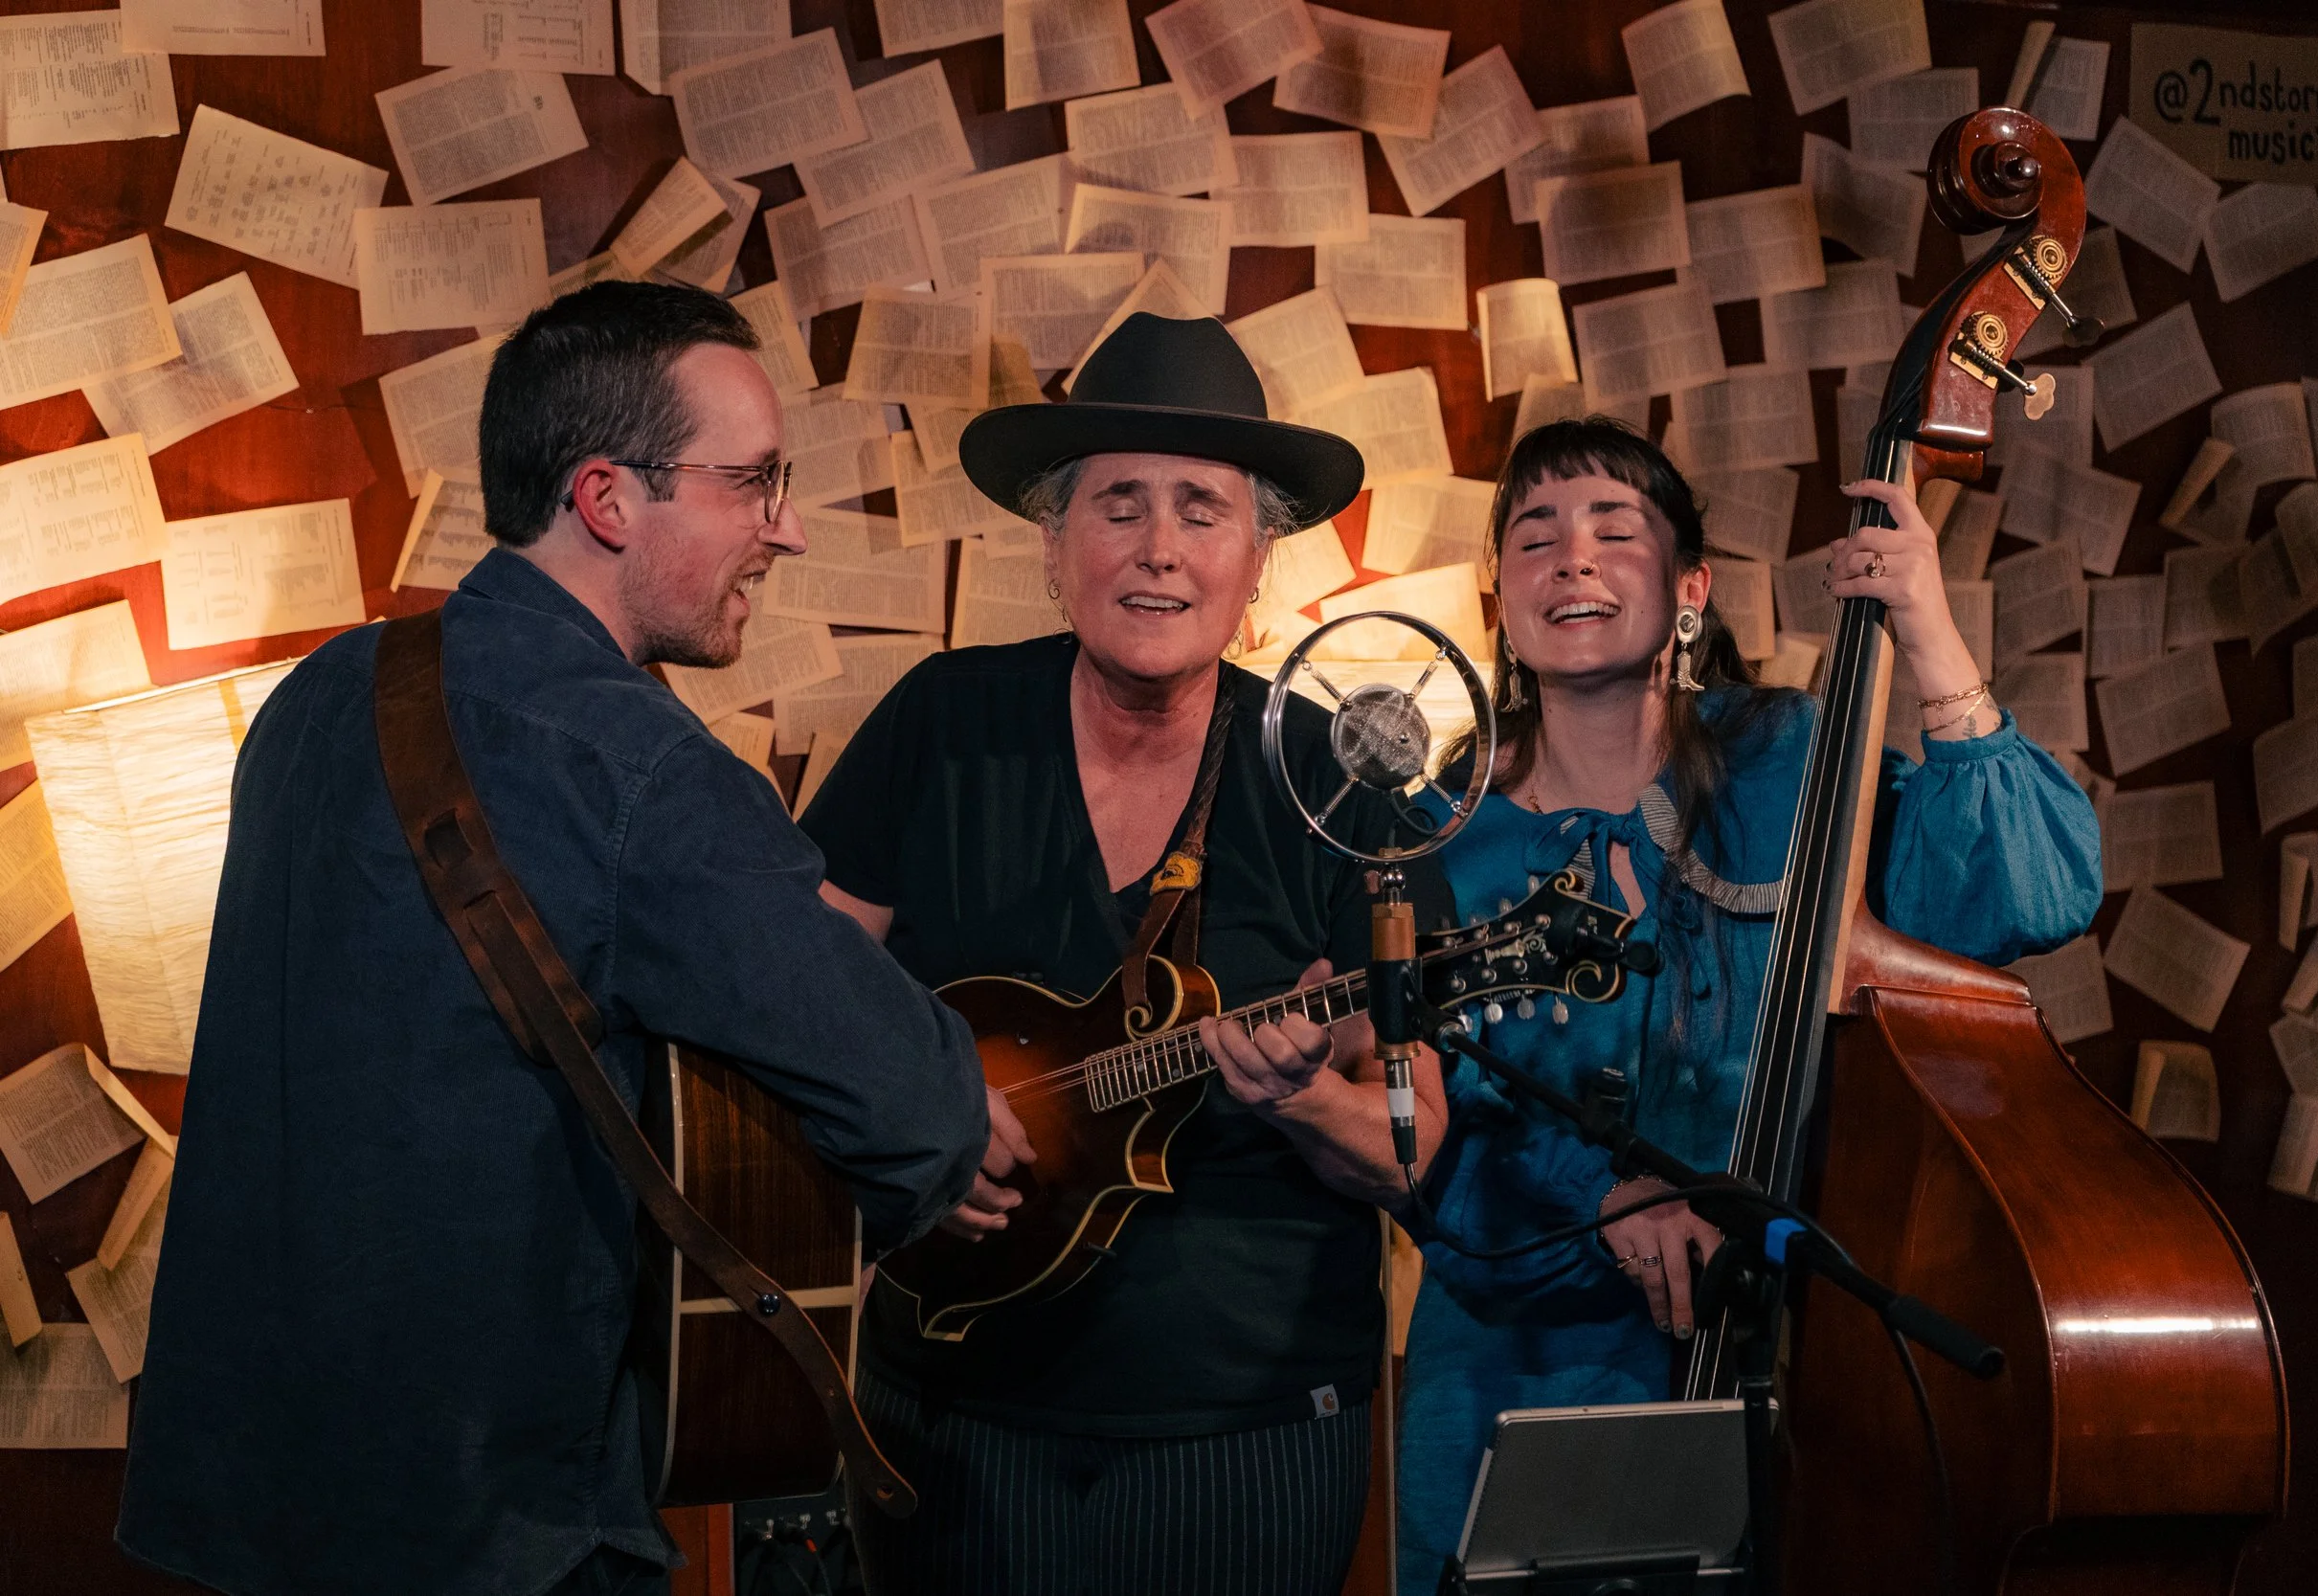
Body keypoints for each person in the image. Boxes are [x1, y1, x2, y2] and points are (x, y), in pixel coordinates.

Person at [118, 282, 994, 1596]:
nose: (788, 530)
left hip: (243, 1508)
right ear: (607, 497)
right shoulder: (644, 769)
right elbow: (919, 1104)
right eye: (752, 482)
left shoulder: (314, 695)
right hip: (500, 1531)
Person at [800, 313, 1453, 1595]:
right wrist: (912, 1109)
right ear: (1055, 545)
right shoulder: (944, 722)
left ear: (1258, 555)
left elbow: (1414, 1140)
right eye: (1118, 505)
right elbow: (793, 986)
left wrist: (1304, 1094)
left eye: (1203, 510)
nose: (1160, 548)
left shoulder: (1335, 780)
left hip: (1244, 1435)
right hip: (947, 1408)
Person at [1391, 418, 2103, 1594]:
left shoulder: (1788, 756)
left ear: (1688, 589)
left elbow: (2029, 888)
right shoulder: (1436, 829)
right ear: (1501, 598)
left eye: (1613, 529)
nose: (1571, 557)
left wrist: (1925, 627)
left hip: (1799, 1367)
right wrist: (1599, 1194)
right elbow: (1413, 1131)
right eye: (1534, 536)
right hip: (1519, 1376)